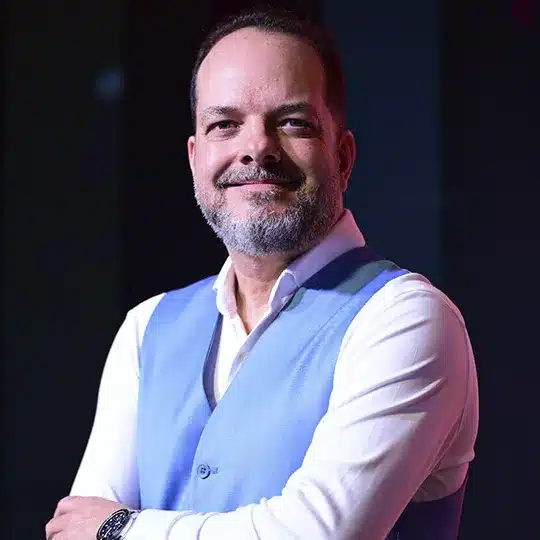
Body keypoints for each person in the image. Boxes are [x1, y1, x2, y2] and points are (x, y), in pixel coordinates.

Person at [45, 7, 479, 540]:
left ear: (343, 158)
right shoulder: (146, 328)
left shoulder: (406, 320)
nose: (256, 148)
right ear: (195, 159)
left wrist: (119, 529)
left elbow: (317, 535)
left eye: (293, 122)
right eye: (224, 125)